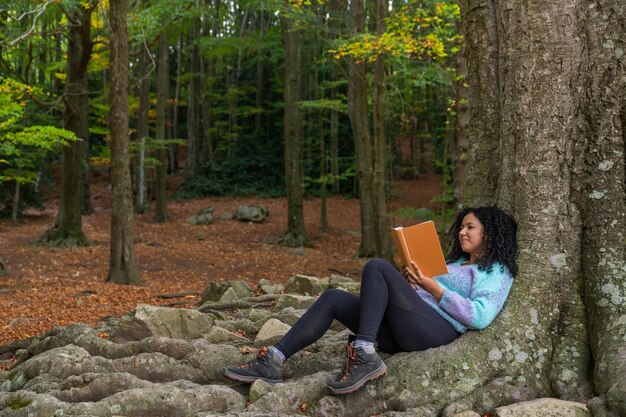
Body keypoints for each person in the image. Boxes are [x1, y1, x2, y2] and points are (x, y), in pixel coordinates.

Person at [223, 206, 518, 395]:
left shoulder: (495, 271)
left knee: (377, 266)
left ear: (489, 233)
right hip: (408, 325)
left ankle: (364, 353)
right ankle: (273, 361)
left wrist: (433, 287)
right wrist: (413, 285)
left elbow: (480, 316)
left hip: (436, 332)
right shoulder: (455, 264)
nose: (462, 232)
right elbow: (424, 296)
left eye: (470, 227)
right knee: (333, 298)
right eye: (462, 227)